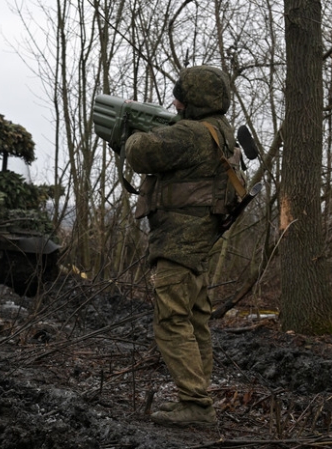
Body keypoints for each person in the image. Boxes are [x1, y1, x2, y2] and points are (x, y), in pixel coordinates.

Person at [125, 65, 236, 426]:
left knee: (172, 322)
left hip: (178, 243)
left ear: (191, 100)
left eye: (179, 96)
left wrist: (129, 135)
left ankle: (196, 405)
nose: (174, 102)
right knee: (196, 322)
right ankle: (195, 397)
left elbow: (142, 151)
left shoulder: (190, 134)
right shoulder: (220, 130)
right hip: (197, 244)